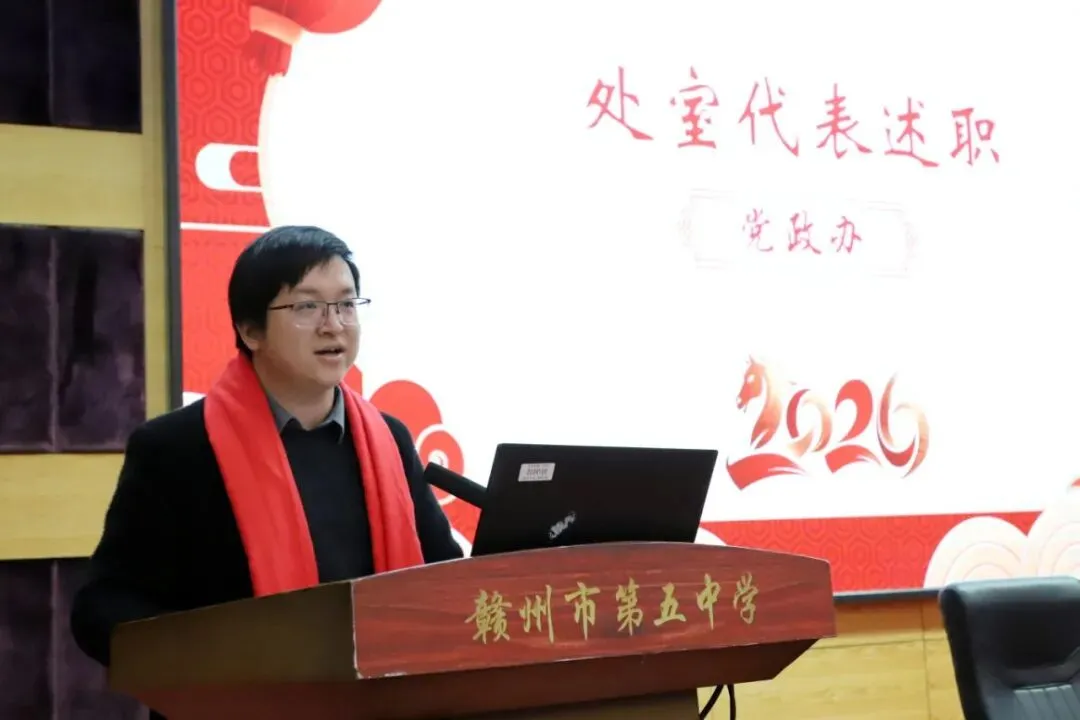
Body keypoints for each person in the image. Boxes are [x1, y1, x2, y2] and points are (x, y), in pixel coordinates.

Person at [71, 225, 463, 672]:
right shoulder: (176, 448)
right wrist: (209, 661)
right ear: (250, 330)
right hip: (239, 696)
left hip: (387, 695)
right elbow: (104, 605)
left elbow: (444, 577)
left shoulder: (389, 439)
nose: (333, 325)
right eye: (306, 306)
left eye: (346, 304)